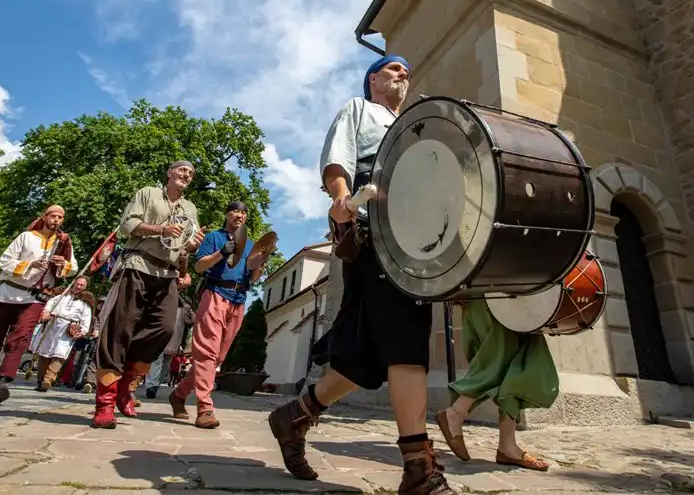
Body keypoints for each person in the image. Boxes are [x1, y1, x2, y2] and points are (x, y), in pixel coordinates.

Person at [267, 56, 454, 495]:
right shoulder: (358, 108)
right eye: (393, 70)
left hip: (415, 236)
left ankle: (294, 416)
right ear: (373, 79)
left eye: (406, 72)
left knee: (361, 356)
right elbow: (338, 162)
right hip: (375, 231)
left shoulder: (413, 124)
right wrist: (342, 202)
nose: (402, 75)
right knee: (406, 338)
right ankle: (418, 468)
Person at [91, 161, 205, 429]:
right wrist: (160, 229)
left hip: (167, 275)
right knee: (120, 329)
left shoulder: (190, 209)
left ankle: (126, 386)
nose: (186, 175)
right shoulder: (148, 193)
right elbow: (127, 225)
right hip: (138, 265)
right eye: (182, 170)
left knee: (164, 329)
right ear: (169, 173)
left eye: (190, 173)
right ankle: (105, 403)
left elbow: (186, 245)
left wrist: (192, 246)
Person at [168, 201, 270, 428]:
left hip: (238, 300)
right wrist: (222, 252)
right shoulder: (214, 237)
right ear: (227, 214)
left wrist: (261, 263)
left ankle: (179, 394)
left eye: (244, 212)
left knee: (218, 357)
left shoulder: (251, 245)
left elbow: (252, 279)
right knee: (206, 353)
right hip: (215, 293)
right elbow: (199, 267)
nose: (240, 215)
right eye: (235, 211)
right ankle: (205, 408)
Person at [0, 206, 76, 405]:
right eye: (53, 216)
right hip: (7, 294)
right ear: (45, 217)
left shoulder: (63, 243)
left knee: (20, 339)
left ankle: (3, 381)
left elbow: (72, 267)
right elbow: (5, 261)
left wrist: (62, 265)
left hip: (33, 299)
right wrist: (29, 265)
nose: (56, 220)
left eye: (60, 217)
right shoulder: (26, 237)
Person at [436, 299, 557, 471]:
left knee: (526, 359)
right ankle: (455, 413)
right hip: (490, 288)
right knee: (500, 356)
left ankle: (507, 445)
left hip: (520, 291)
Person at [32, 277, 94, 392]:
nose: (79, 287)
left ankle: (48, 380)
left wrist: (83, 331)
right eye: (78, 284)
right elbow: (50, 304)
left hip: (67, 330)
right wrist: (46, 312)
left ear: (85, 287)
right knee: (44, 353)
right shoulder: (62, 295)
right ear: (74, 283)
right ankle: (40, 381)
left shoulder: (85, 304)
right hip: (52, 325)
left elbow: (86, 319)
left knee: (59, 354)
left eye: (82, 285)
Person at [144, 294, 193, 399]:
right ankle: (153, 385)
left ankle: (153, 385)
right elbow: (191, 322)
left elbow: (191, 321)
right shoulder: (183, 309)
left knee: (159, 362)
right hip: (172, 341)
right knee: (163, 363)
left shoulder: (170, 306)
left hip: (164, 338)